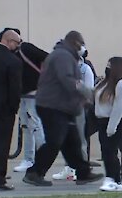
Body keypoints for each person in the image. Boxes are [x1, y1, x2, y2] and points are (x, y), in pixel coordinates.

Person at [23, 31, 103, 186]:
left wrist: (80, 100)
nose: (83, 48)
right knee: (55, 141)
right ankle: (35, 172)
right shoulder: (63, 56)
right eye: (81, 44)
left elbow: (67, 82)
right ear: (75, 43)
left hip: (61, 106)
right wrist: (87, 93)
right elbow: (67, 80)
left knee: (72, 142)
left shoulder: (63, 55)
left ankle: (83, 173)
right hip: (53, 107)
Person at [0, 30, 23, 191]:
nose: (18, 46)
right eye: (17, 43)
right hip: (3, 109)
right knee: (1, 146)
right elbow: (15, 89)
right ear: (9, 41)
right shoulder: (13, 61)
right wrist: (14, 108)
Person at [52, 48, 95, 181]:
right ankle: (69, 168)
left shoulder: (85, 69)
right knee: (65, 139)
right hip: (63, 108)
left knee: (80, 139)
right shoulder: (61, 69)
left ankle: (81, 169)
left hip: (77, 108)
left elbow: (89, 91)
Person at [95, 57, 122, 191]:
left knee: (110, 151)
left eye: (110, 65)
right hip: (103, 121)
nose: (107, 67)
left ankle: (113, 179)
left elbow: (119, 107)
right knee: (106, 151)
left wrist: (112, 126)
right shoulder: (104, 83)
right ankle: (113, 179)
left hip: (118, 121)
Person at [14, 40, 49, 172]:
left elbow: (47, 56)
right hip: (23, 94)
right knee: (25, 126)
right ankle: (29, 159)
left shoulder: (26, 48)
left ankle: (43, 159)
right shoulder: (14, 53)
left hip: (33, 92)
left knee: (35, 125)